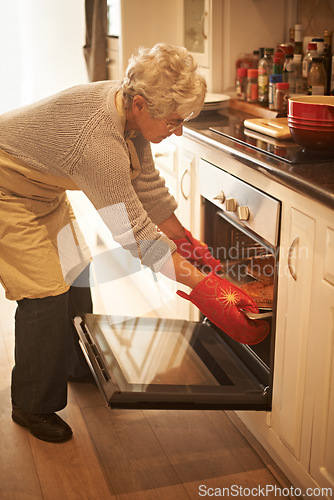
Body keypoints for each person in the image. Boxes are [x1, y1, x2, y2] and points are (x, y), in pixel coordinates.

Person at [0, 43, 268, 443]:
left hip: (42, 190)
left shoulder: (128, 111)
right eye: (175, 121)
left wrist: (186, 242)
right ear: (140, 104)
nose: (178, 130)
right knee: (46, 293)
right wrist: (206, 288)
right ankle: (32, 405)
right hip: (7, 191)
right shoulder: (100, 144)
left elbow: (147, 188)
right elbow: (135, 237)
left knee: (76, 273)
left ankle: (75, 363)